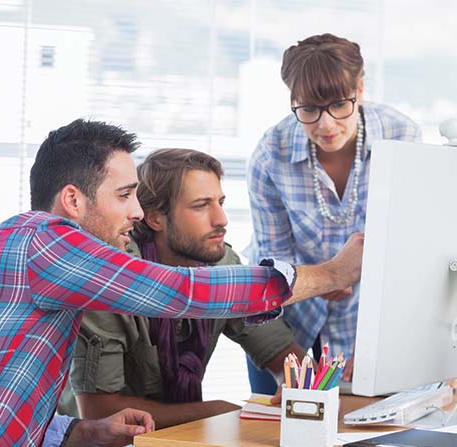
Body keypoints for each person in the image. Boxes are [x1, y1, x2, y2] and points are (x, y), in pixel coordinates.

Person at [0, 119, 363, 446]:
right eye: (125, 195)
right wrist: (334, 273)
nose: (137, 213)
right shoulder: (44, 240)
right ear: (73, 200)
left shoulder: (31, 253)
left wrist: (76, 434)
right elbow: (183, 292)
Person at [60, 148, 306, 427]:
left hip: (180, 437)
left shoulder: (221, 262)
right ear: (155, 219)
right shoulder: (111, 279)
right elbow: (99, 411)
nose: (221, 220)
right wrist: (217, 411)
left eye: (220, 202)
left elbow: (280, 352)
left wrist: (297, 386)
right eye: (201, 205)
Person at [246, 33, 421, 393]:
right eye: (308, 109)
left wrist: (381, 345)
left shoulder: (402, 137)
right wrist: (326, 279)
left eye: (339, 105)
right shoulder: (271, 154)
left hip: (369, 322)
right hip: (290, 321)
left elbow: (411, 251)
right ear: (292, 100)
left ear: (360, 90)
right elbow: (273, 260)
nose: (325, 125)